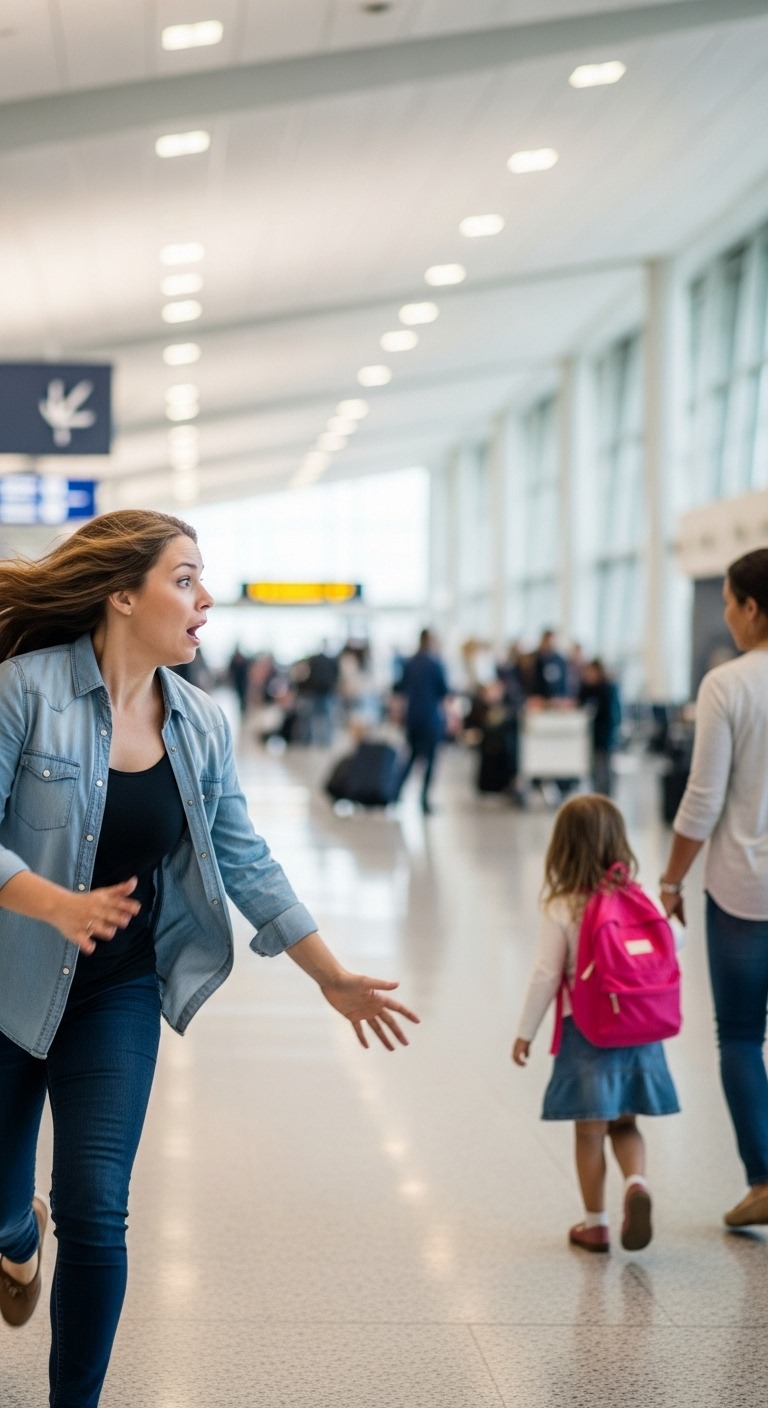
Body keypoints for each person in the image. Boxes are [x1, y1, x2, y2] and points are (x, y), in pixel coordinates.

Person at [0, 510, 419, 1407]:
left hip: (118, 987)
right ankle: (12, 1236)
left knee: (96, 1211)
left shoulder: (198, 722)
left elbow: (243, 856)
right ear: (122, 593)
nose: (207, 598)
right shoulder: (23, 692)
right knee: (4, 1208)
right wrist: (56, 902)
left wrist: (328, 971)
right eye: (185, 578)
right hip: (8, 980)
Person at [512, 795, 679, 1253]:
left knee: (590, 1132)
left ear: (562, 848)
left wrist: (525, 1032)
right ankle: (637, 1184)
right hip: (640, 1030)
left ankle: (595, 1224)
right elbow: (673, 943)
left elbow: (547, 974)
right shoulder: (637, 895)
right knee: (626, 1124)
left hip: (587, 1032)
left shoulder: (563, 905)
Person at [659, 547, 768, 1230]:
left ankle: (764, 1180)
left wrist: (671, 877)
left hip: (742, 893)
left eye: (729, 601)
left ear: (753, 608)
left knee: (739, 1037)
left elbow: (703, 800)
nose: (725, 614)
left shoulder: (727, 684)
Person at [392, 628, 450, 814]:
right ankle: (424, 800)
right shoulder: (435, 664)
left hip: (413, 717)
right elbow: (444, 691)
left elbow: (399, 687)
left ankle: (396, 793)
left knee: (411, 757)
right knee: (430, 760)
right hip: (431, 718)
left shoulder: (410, 663)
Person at [578, 657, 622, 796]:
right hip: (593, 736)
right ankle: (599, 794)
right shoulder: (587, 688)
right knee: (596, 768)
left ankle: (605, 795)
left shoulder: (608, 689)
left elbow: (612, 715)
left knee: (605, 766)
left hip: (606, 735)